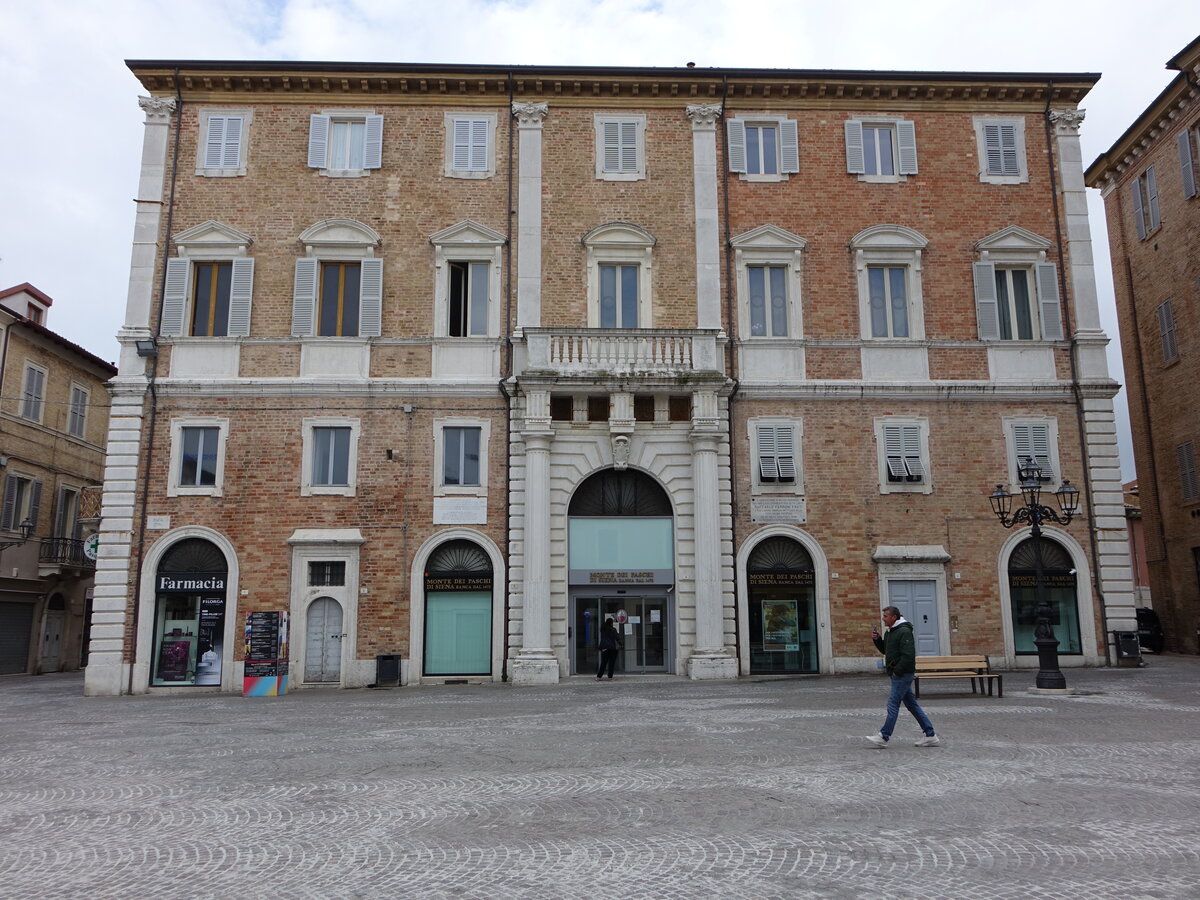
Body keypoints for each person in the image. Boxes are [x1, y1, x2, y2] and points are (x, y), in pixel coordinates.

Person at [866, 606, 941, 747]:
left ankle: (884, 736)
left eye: (886, 616)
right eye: (883, 615)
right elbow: (885, 650)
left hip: (902, 674)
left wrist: (897, 671)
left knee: (893, 704)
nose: (883, 618)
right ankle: (930, 734)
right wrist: (877, 639)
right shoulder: (890, 632)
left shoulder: (904, 632)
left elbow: (908, 656)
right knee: (912, 705)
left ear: (894, 617)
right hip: (897, 673)